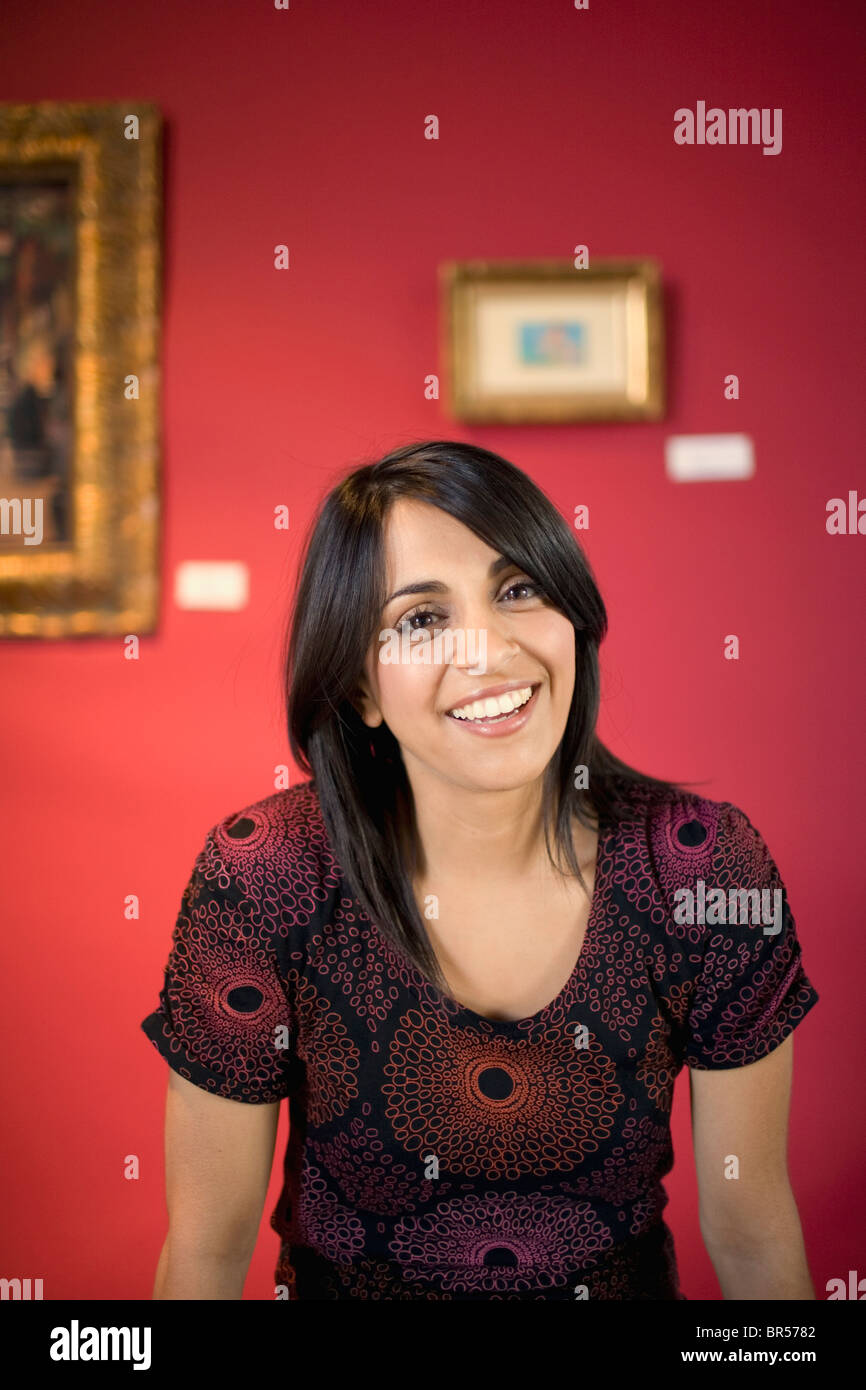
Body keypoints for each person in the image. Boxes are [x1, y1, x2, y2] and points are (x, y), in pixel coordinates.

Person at [141, 439, 819, 1300]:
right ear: (361, 690)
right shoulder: (265, 875)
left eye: (517, 589)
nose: (488, 651)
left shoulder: (701, 871)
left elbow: (753, 1232)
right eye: (422, 619)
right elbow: (205, 1251)